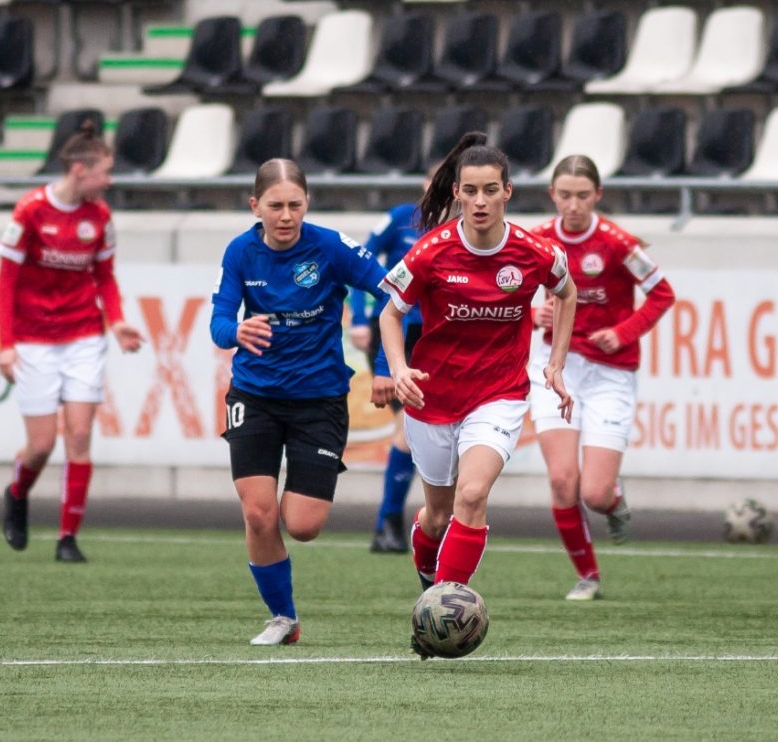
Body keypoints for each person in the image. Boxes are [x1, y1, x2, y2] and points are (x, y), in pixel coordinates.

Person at [376, 132, 577, 656]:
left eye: (491, 190)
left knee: (472, 495)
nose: (481, 201)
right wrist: (398, 368)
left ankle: (437, 618)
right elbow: (391, 312)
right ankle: (431, 587)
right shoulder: (432, 251)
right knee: (437, 515)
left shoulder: (534, 253)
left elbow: (567, 289)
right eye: (471, 191)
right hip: (431, 398)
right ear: (458, 194)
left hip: (499, 395)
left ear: (508, 191)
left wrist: (554, 362)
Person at [210, 158, 392, 646]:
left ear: (307, 204)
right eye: (275, 206)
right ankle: (283, 618)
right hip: (255, 395)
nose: (286, 215)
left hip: (320, 400)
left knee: (303, 526)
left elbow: (395, 292)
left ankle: (284, 604)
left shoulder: (331, 247)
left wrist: (386, 366)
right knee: (258, 513)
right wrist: (237, 330)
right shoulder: (240, 253)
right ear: (255, 206)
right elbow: (220, 321)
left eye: (295, 205)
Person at [529, 155, 676, 601]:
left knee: (593, 493)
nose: (573, 205)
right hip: (555, 367)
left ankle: (613, 498)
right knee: (561, 481)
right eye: (565, 195)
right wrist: (532, 313)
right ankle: (588, 576)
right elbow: (502, 293)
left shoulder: (616, 243)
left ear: (598, 196)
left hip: (609, 373)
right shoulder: (536, 240)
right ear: (552, 195)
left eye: (582, 196)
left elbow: (662, 294)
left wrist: (623, 331)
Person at [0, 122, 143, 564]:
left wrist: (115, 322)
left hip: (83, 336)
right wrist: (6, 343)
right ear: (80, 170)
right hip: (34, 340)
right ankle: (17, 492)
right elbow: (6, 282)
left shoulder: (99, 217)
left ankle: (67, 538)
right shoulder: (29, 212)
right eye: (105, 172)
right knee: (41, 445)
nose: (110, 180)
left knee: (79, 435)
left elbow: (105, 275)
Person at [348, 196, 425, 554]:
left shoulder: (465, 226)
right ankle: (389, 522)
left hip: (436, 338)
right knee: (409, 425)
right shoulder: (400, 217)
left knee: (419, 429)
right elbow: (361, 259)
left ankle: (389, 525)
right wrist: (361, 319)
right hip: (395, 334)